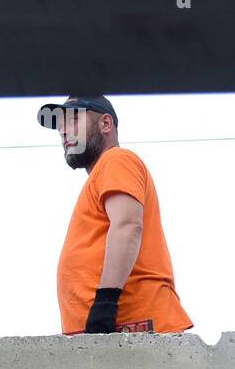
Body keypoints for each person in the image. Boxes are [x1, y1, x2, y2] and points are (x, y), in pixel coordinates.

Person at [38, 95, 191, 335]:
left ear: (106, 124)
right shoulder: (102, 174)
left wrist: (105, 303)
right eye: (59, 126)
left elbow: (128, 225)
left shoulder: (116, 159)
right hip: (111, 335)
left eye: (73, 120)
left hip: (131, 329)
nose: (63, 132)